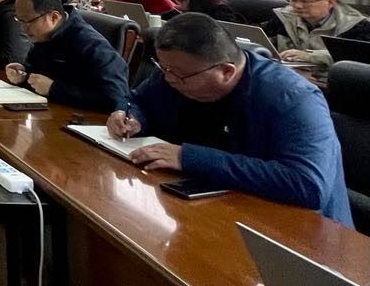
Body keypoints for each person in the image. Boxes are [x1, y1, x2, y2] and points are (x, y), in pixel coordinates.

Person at [107, 13, 352, 226]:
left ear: (226, 71)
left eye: (178, 75)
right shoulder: (177, 72)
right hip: (209, 208)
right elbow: (137, 99)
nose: (168, 79)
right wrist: (130, 115)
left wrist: (186, 157)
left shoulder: (293, 98)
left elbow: (307, 185)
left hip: (299, 233)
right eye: (164, 69)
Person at [6, 0, 130, 113]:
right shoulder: (44, 34)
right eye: (19, 20)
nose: (22, 28)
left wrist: (54, 89)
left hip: (85, 118)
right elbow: (38, 70)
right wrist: (23, 73)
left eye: (27, 21)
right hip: (51, 111)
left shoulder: (92, 45)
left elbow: (115, 99)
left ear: (54, 17)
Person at [262, 0, 370, 73]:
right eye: (293, 0)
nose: (297, 6)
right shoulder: (283, 17)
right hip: (291, 74)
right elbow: (262, 41)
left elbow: (358, 59)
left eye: (305, 1)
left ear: (330, 2)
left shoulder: (356, 26)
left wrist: (309, 56)